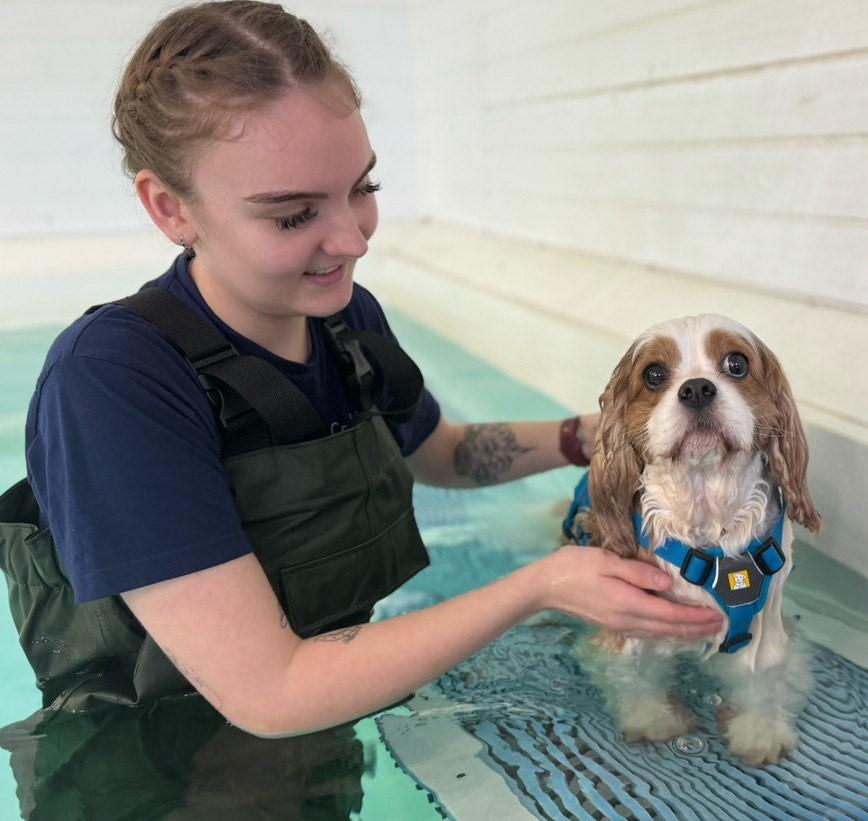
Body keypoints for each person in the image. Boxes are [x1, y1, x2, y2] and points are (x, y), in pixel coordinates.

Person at [0, 0, 723, 740]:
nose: (351, 239)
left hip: (326, 704)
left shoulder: (342, 318)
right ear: (169, 207)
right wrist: (538, 587)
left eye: (362, 188)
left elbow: (439, 452)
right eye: (292, 215)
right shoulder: (114, 383)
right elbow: (270, 693)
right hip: (157, 759)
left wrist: (594, 435)